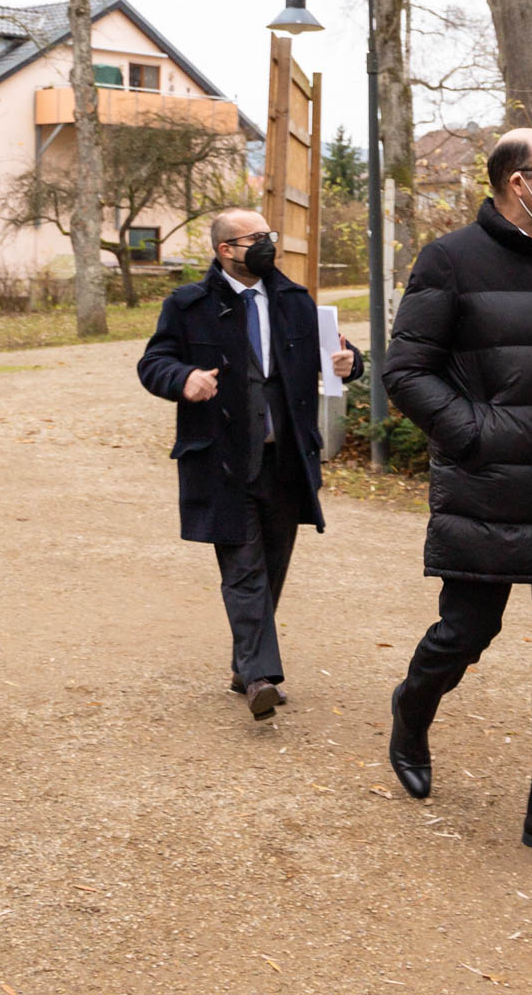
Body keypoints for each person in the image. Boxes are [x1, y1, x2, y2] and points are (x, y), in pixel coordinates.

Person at [382, 127, 532, 874]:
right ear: (515, 181)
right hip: (488, 490)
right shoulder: (450, 260)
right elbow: (406, 370)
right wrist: (478, 435)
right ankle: (411, 709)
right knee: (466, 632)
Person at [137, 208, 362, 721]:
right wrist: (184, 378)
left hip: (287, 460)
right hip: (222, 461)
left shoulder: (294, 300)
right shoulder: (188, 305)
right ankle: (261, 678)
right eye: (254, 238)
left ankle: (245, 663)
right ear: (225, 251)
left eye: (269, 236)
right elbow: (153, 363)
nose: (267, 244)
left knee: (274, 565)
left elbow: (340, 357)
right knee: (243, 569)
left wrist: (353, 363)